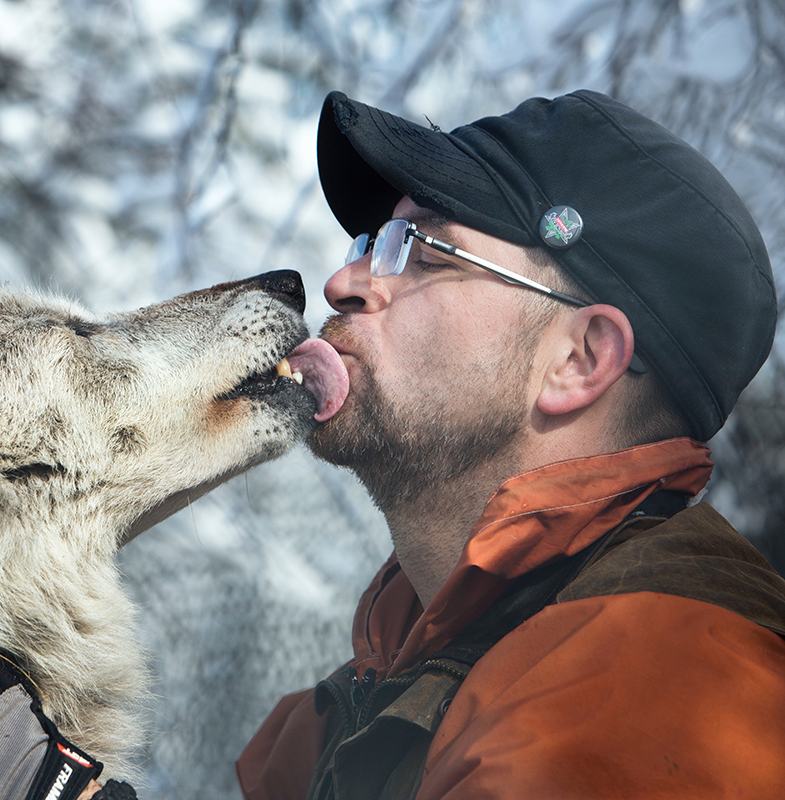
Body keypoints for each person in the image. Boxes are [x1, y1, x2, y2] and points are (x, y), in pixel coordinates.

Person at [234, 90, 785, 798]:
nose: (343, 283)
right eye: (371, 243)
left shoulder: (662, 686)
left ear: (579, 362)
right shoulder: (373, 694)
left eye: (423, 250)